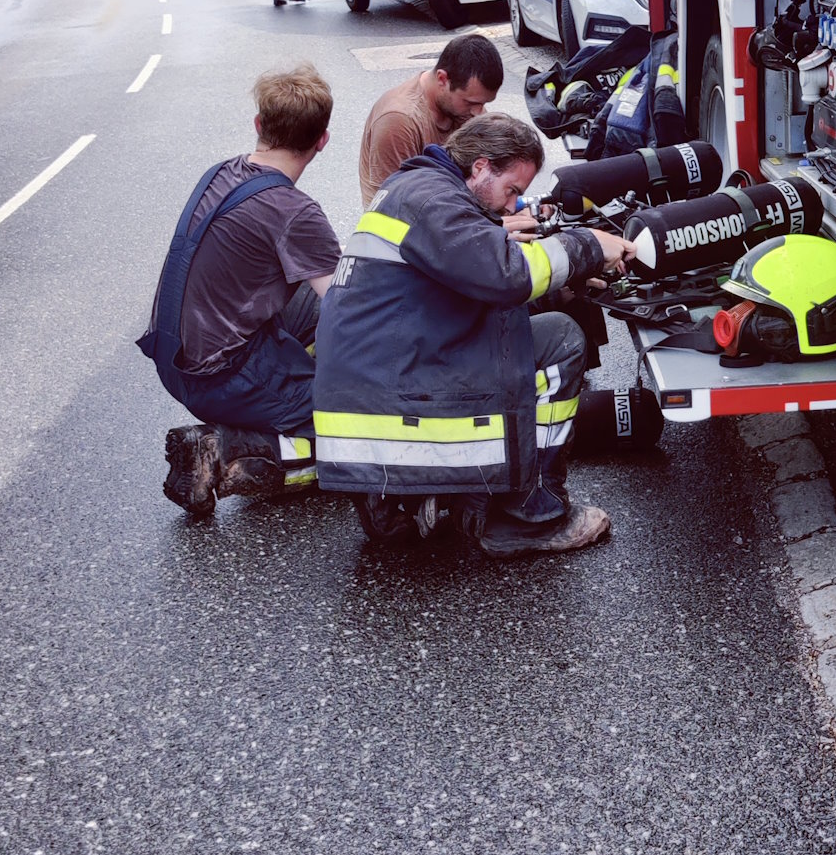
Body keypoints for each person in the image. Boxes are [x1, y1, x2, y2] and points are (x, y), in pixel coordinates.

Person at [315, 114, 632, 555]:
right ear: (481, 167)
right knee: (560, 340)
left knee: (521, 331)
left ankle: (411, 496)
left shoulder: (419, 190)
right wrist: (589, 246)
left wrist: (565, 281)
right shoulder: (434, 202)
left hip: (378, 382)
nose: (511, 206)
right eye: (513, 190)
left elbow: (472, 289)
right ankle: (528, 515)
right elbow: (504, 277)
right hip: (391, 395)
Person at [139, 65, 340, 516]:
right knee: (349, 422)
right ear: (322, 140)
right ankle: (221, 449)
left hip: (175, 358)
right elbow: (348, 305)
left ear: (258, 126)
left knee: (309, 302)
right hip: (219, 375)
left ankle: (274, 393)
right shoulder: (294, 210)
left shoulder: (221, 173)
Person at [357, 32, 504, 203]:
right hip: (401, 218)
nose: (478, 113)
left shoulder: (465, 107)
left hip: (449, 204)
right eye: (470, 102)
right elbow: (397, 203)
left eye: (484, 103)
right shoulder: (399, 120)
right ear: (442, 79)